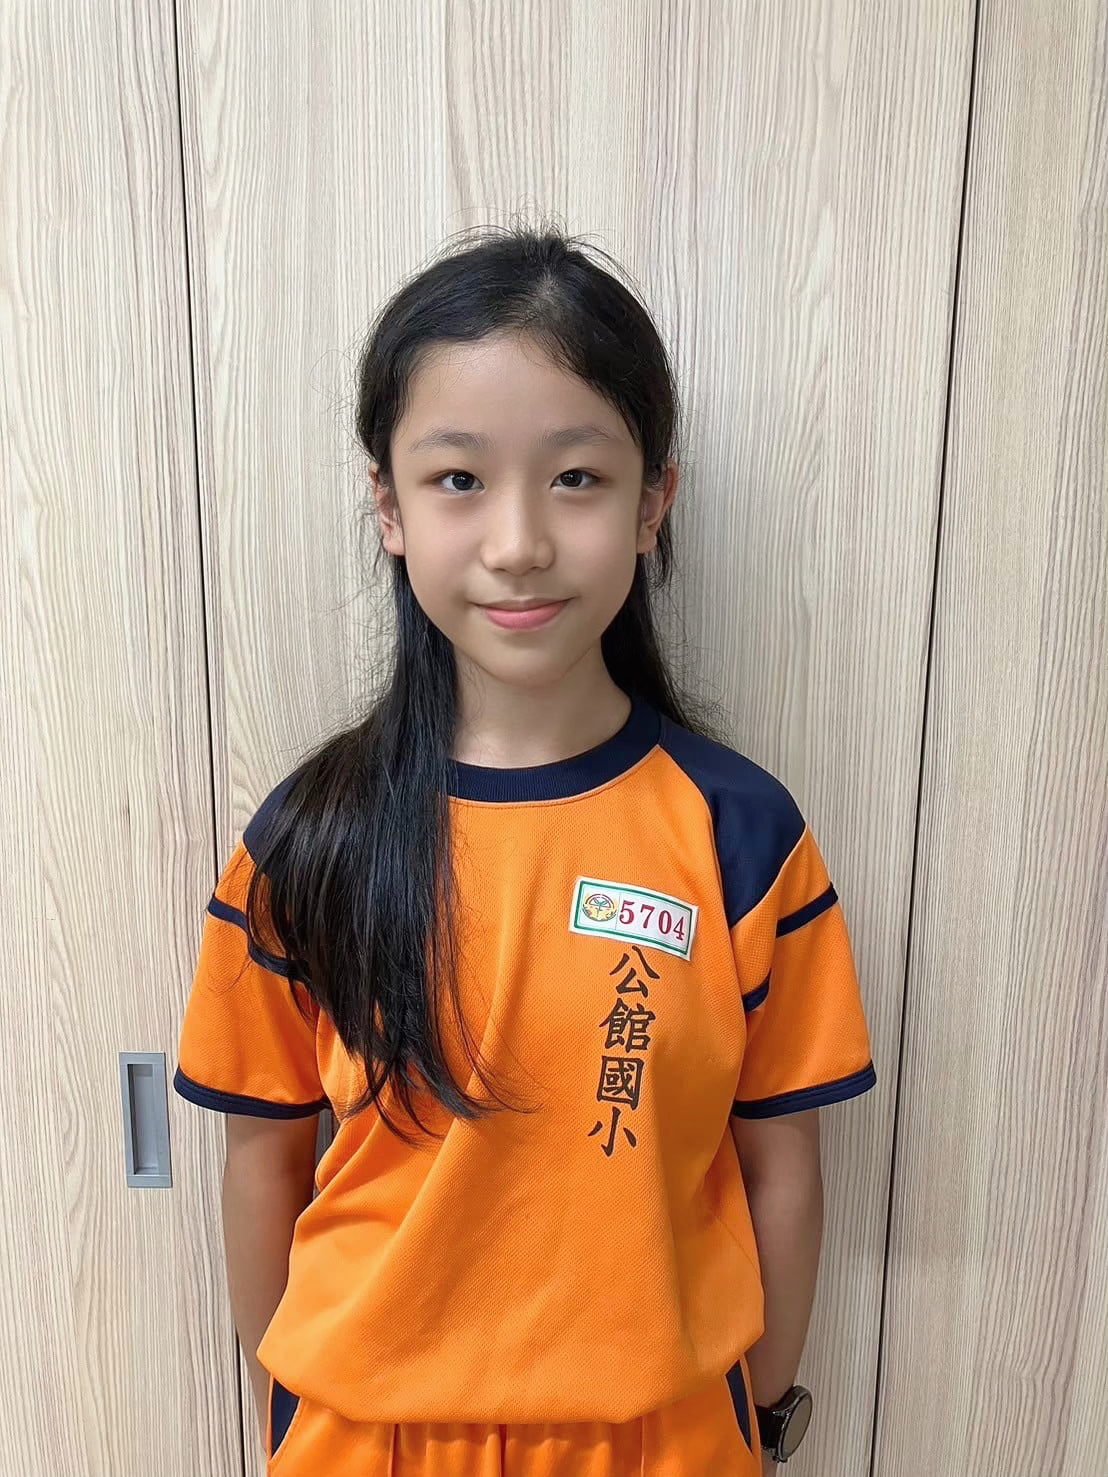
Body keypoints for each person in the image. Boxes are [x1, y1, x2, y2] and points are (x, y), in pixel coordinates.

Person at [173, 221, 876, 1476]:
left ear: (652, 502)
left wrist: (757, 1412)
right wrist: (298, 1402)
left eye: (576, 478)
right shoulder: (307, 842)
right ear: (388, 507)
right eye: (458, 479)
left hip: (661, 1438)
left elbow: (781, 1160)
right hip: (369, 1439)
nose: (517, 543)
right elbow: (260, 1156)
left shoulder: (742, 835)